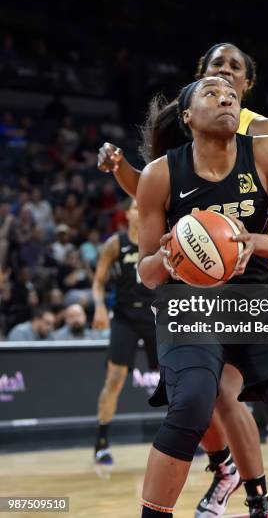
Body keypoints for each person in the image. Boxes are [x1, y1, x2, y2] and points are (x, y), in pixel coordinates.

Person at [98, 43, 268, 518]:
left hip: (249, 278)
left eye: (235, 70)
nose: (225, 76)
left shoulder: (263, 132)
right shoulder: (194, 118)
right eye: (216, 68)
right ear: (200, 79)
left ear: (246, 84)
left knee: (221, 397)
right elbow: (158, 195)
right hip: (190, 281)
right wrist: (123, 169)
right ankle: (232, 474)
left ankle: (250, 491)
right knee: (200, 399)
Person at [136, 76, 268, 518]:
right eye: (211, 92)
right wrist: (170, 256)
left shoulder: (265, 153)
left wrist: (253, 243)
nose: (225, 97)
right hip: (189, 303)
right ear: (187, 117)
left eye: (232, 94)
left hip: (254, 299)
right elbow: (146, 274)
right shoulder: (160, 174)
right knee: (192, 404)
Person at [92, 199, 158, 465]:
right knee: (115, 378)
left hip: (155, 315)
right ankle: (101, 443)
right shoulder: (115, 243)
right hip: (125, 316)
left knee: (176, 377)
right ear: (127, 215)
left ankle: (194, 437)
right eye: (134, 206)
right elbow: (98, 281)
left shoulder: (157, 240)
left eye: (143, 205)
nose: (139, 209)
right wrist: (98, 307)